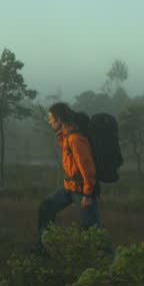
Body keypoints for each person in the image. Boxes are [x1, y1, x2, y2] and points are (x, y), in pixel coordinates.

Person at [35, 102, 101, 251]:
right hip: (69, 188)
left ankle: (109, 263)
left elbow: (87, 168)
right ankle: (42, 248)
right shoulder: (66, 137)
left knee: (92, 230)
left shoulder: (75, 139)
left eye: (51, 118)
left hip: (82, 191)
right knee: (47, 207)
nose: (49, 121)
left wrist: (88, 194)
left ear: (59, 119)